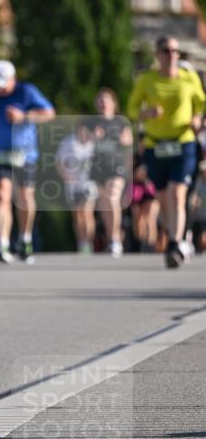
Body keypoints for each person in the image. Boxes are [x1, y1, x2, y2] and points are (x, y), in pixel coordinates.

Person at [127, 35, 205, 268]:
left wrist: (197, 117)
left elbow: (201, 101)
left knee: (177, 193)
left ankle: (174, 243)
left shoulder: (188, 78)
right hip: (156, 145)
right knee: (162, 197)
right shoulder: (146, 80)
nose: (171, 55)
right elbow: (131, 108)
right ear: (157, 55)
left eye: (174, 51)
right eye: (165, 50)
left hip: (183, 142)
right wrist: (146, 114)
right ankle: (177, 237)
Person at [0, 59, 55, 264]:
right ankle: (3, 242)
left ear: (13, 79)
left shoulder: (27, 91)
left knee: (25, 197)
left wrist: (24, 116)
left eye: (3, 84)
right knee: (1, 195)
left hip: (25, 154)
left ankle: (25, 238)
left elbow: (49, 114)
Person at [84, 88, 133, 257]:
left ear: (113, 103)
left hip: (116, 167)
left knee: (112, 197)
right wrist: (92, 138)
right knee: (104, 204)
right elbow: (81, 143)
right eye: (100, 100)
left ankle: (116, 239)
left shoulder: (121, 122)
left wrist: (124, 141)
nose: (103, 103)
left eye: (106, 100)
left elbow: (130, 144)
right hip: (97, 168)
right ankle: (111, 237)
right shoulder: (90, 123)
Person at [56, 122, 97, 254]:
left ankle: (89, 242)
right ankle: (81, 243)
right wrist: (66, 176)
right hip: (72, 184)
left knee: (87, 212)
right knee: (77, 215)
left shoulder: (94, 144)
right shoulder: (69, 142)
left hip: (89, 183)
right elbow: (59, 161)